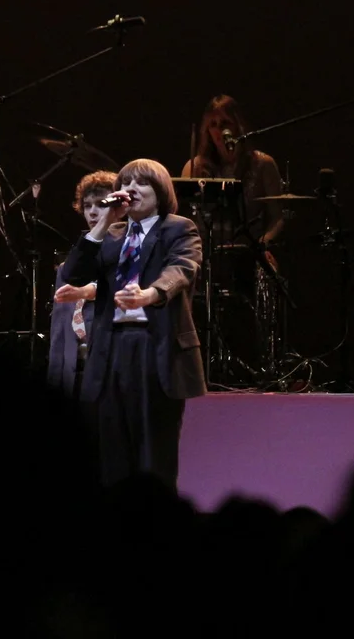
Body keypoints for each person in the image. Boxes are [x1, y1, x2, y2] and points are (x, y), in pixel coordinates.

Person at [59, 158, 206, 490]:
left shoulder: (178, 228)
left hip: (154, 345)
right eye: (125, 183)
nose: (131, 189)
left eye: (141, 183)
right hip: (111, 347)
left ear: (161, 190)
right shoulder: (112, 235)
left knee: (154, 452)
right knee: (113, 450)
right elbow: (74, 272)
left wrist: (149, 295)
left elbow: (182, 269)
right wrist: (104, 222)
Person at [47, 170, 117, 401]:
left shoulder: (132, 250)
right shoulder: (70, 266)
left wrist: (88, 291)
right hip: (75, 369)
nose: (93, 212)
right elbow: (60, 331)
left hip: (111, 367)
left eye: (101, 204)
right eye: (87, 206)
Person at [181, 94, 285, 247]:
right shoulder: (194, 167)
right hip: (206, 252)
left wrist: (263, 245)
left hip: (250, 250)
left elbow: (278, 218)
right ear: (207, 130)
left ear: (237, 125)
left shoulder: (263, 164)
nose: (219, 130)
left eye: (225, 123)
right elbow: (183, 219)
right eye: (213, 124)